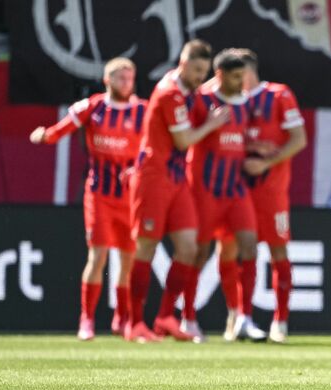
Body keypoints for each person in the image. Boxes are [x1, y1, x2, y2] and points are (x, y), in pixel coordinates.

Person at [29, 57, 144, 341]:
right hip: (100, 193)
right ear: (107, 80)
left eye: (130, 78)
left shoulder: (142, 110)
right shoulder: (93, 107)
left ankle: (124, 318)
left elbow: (153, 146)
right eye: (120, 78)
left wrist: (139, 167)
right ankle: (87, 320)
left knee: (129, 260)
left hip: (130, 196)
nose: (126, 83)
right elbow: (63, 129)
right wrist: (45, 135)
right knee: (98, 255)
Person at [126, 39, 230, 343]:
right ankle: (135, 323)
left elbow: (202, 107)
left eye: (204, 71)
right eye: (196, 70)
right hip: (153, 176)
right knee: (145, 247)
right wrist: (212, 123)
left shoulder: (190, 91)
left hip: (176, 178)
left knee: (189, 248)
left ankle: (165, 317)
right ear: (182, 63)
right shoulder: (171, 93)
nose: (200, 77)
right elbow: (184, 140)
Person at [219, 49, 307, 344]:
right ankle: (238, 315)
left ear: (246, 70)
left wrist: (266, 162)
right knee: (231, 251)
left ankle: (280, 321)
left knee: (277, 251)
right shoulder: (227, 101)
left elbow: (299, 139)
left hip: (271, 192)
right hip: (236, 189)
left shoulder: (279, 95)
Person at [178, 49, 261, 343]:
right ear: (221, 75)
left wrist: (259, 150)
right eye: (237, 77)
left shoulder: (247, 103)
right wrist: (209, 125)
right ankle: (187, 318)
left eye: (244, 76)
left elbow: (241, 137)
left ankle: (244, 317)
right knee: (198, 253)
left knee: (249, 246)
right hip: (205, 189)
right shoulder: (201, 100)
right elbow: (183, 137)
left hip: (235, 188)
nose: (242, 82)